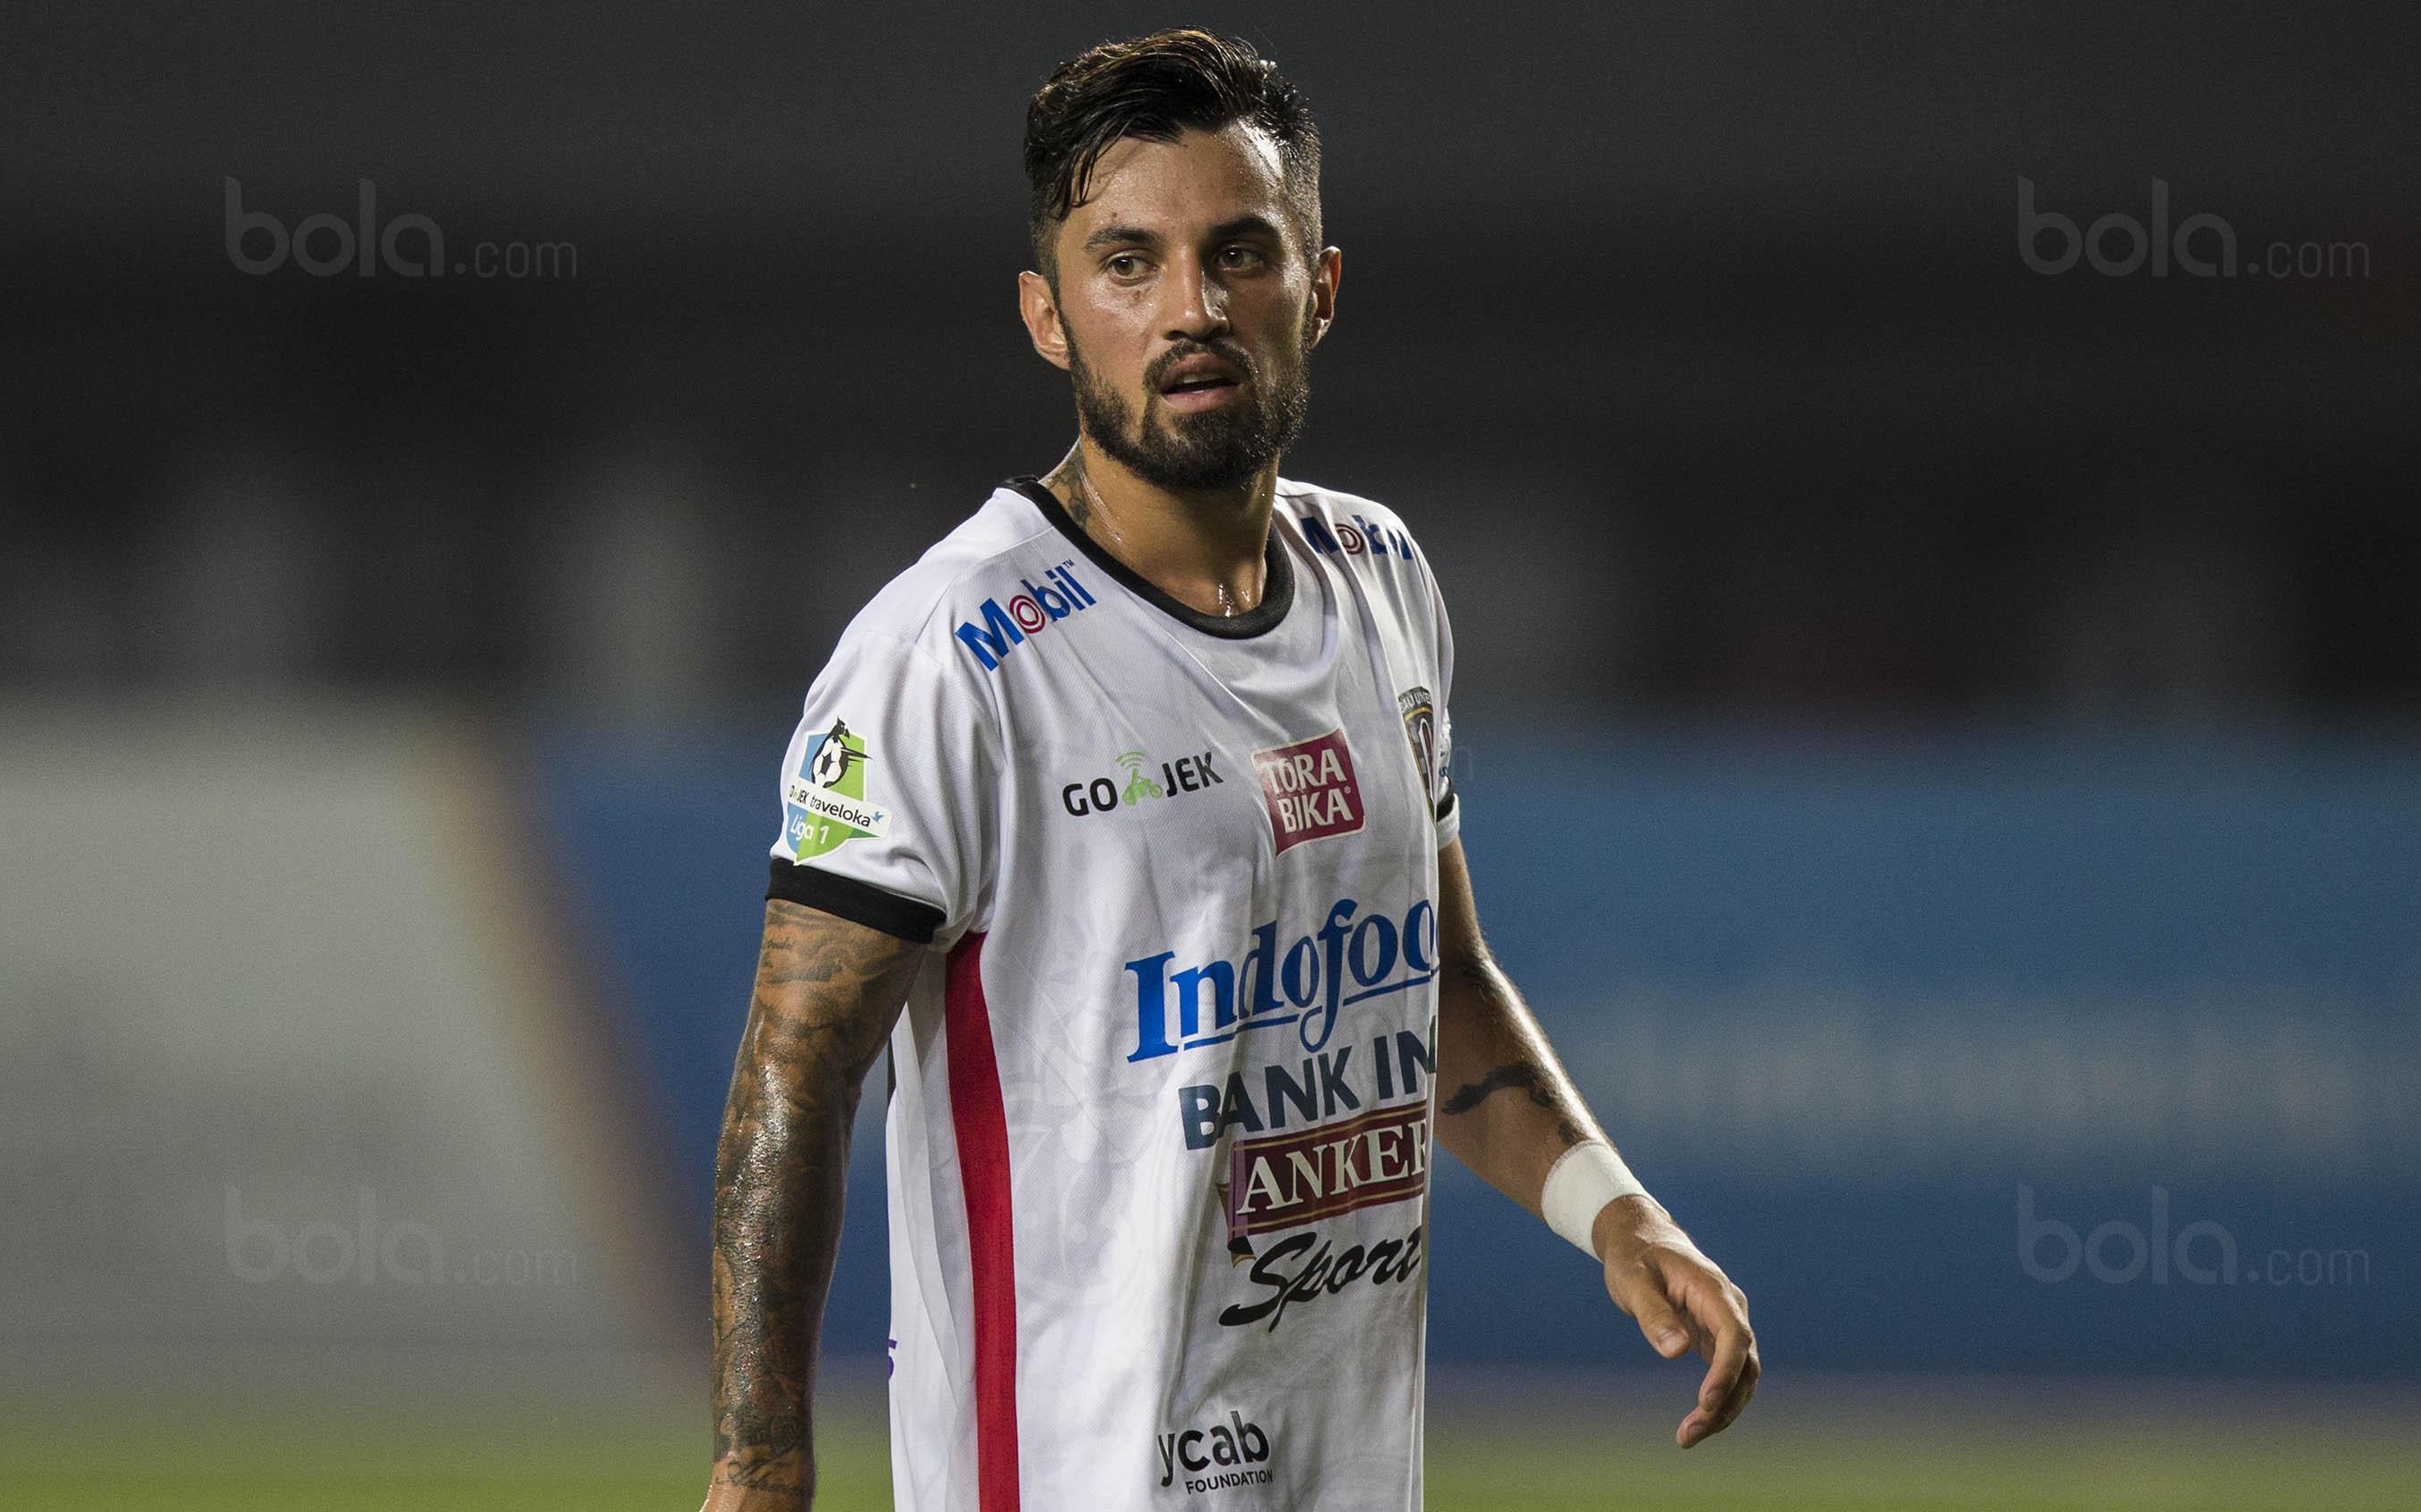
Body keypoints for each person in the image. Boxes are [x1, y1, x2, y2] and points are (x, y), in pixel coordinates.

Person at [704, 29, 1755, 1511]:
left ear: (1318, 289)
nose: (1189, 308)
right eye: (1126, 263)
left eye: (1239, 253)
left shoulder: (1381, 576)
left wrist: (1612, 1211)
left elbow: (1432, 980)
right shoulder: (952, 655)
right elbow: (795, 1071)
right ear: (1048, 317)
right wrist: (759, 1463)